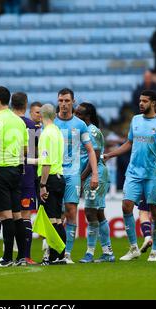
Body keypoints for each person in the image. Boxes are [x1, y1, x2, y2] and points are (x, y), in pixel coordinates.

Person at [103, 90, 156, 262]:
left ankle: (155, 251)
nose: (141, 103)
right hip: (134, 172)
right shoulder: (135, 120)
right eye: (140, 101)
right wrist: (110, 155)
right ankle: (134, 247)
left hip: (153, 174)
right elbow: (129, 143)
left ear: (153, 103)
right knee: (126, 206)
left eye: (144, 101)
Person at [54, 88, 99, 264]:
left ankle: (67, 253)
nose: (64, 104)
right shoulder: (51, 123)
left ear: (73, 102)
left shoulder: (80, 125)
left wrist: (94, 174)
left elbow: (90, 150)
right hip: (54, 172)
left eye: (67, 101)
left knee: (71, 211)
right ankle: (51, 251)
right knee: (53, 213)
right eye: (61, 100)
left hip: (73, 173)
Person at [0, 87, 29, 267]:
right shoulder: (19, 122)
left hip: (0, 171)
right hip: (16, 170)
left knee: (5, 215)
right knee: (17, 214)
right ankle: (21, 257)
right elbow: (26, 149)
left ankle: (7, 257)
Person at [75, 103, 115, 263]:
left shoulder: (93, 131)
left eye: (79, 113)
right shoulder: (82, 130)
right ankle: (108, 252)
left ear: (87, 116)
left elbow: (96, 157)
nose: (75, 115)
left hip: (95, 175)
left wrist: (83, 176)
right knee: (98, 213)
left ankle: (89, 253)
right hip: (89, 174)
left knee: (90, 212)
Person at [12, 92, 40, 265]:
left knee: (4, 215)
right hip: (27, 173)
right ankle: (25, 256)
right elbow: (31, 152)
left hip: (6, 172)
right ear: (26, 104)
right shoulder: (31, 125)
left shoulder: (5, 122)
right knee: (25, 215)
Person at [36, 103, 66, 265]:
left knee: (51, 220)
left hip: (50, 179)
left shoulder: (46, 134)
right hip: (59, 177)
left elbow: (46, 162)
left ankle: (55, 255)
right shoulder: (57, 132)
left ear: (41, 116)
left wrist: (42, 185)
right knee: (57, 219)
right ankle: (60, 255)